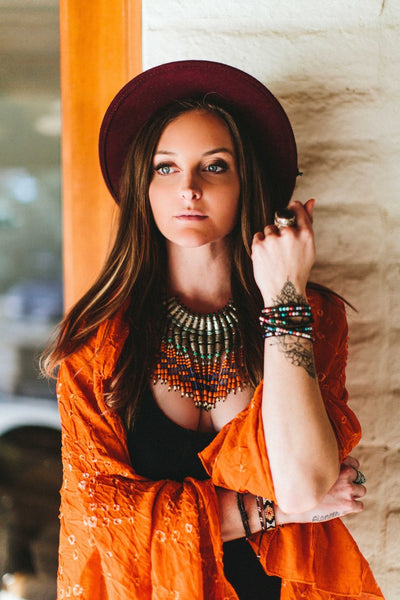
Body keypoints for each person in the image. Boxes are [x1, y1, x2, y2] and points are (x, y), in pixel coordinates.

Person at [42, 61, 384, 599]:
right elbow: (102, 524)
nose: (189, 189)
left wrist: (285, 294)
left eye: (215, 166)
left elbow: (305, 485)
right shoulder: (96, 341)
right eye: (166, 168)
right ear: (143, 187)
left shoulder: (312, 316)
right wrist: (270, 511)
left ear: (246, 181)